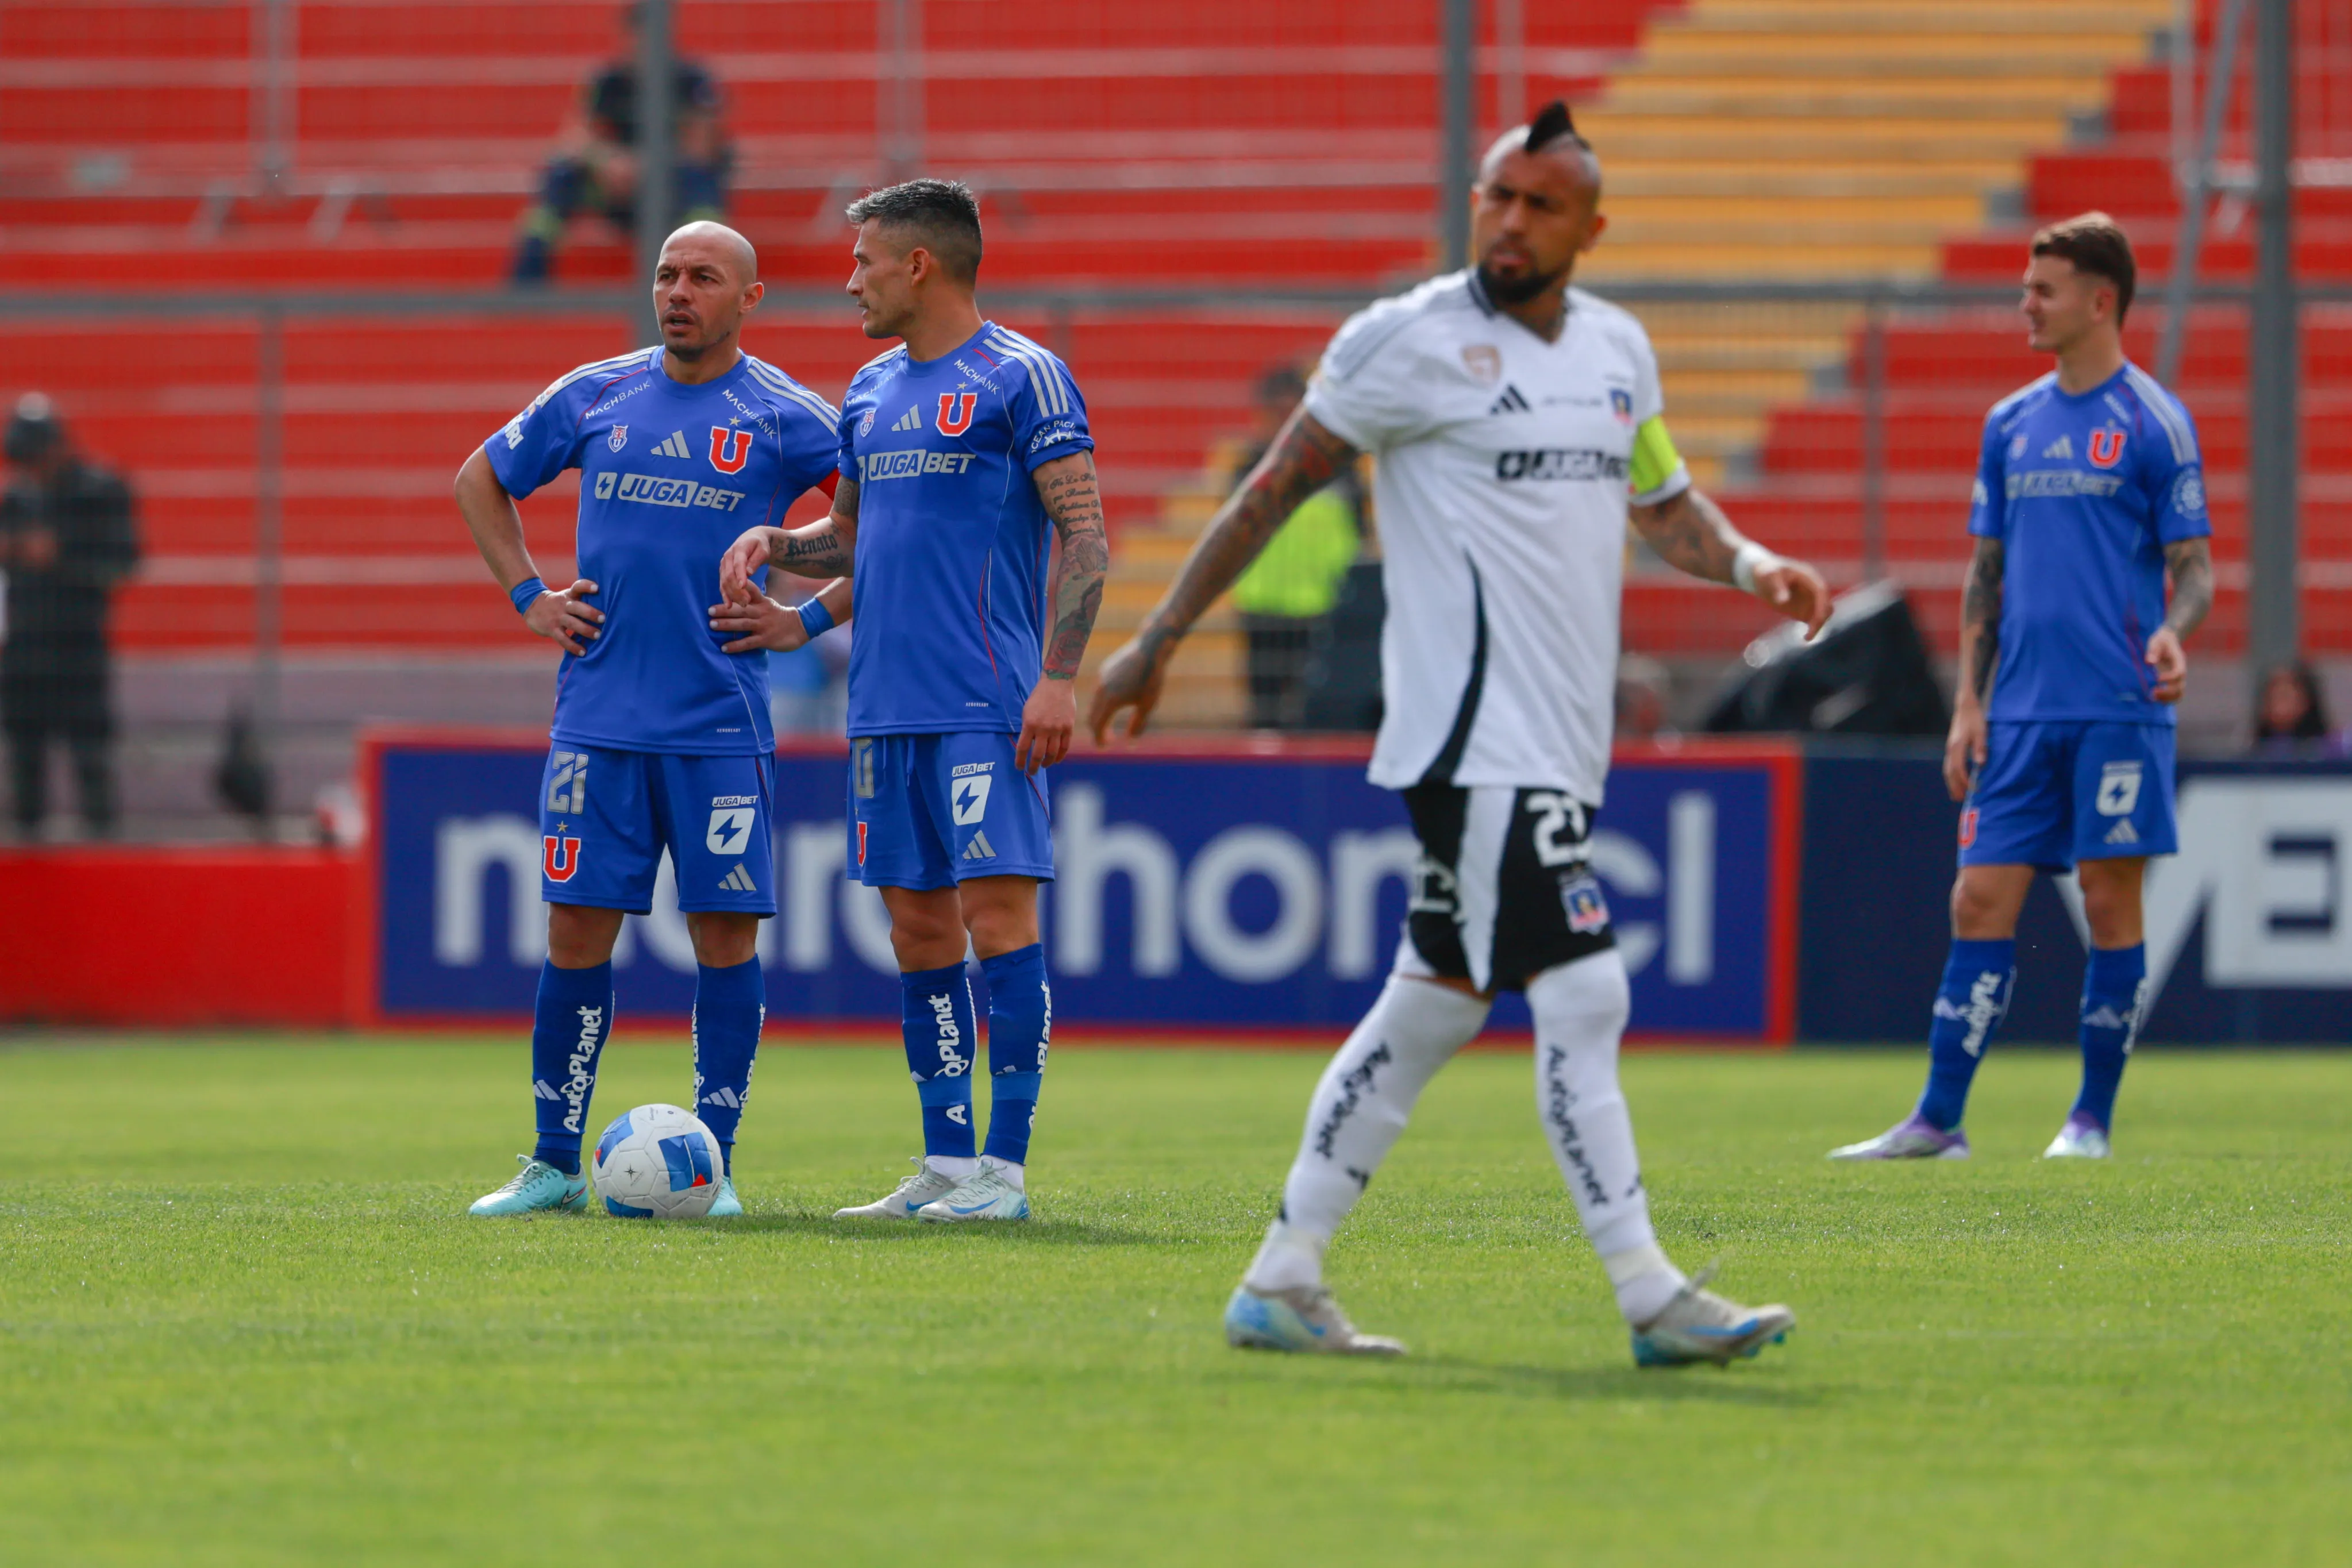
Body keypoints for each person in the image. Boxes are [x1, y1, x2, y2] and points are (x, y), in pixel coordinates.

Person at [1087, 103, 1828, 1365]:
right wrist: (1155, 639)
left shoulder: (1616, 352)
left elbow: (1659, 494)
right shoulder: (1406, 342)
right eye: (1496, 195)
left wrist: (1754, 563)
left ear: (1591, 227)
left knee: (1430, 1004)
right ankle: (1649, 1290)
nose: (1509, 220)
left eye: (1540, 204)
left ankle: (1282, 1273)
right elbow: (1271, 488)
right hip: (1468, 739)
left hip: (1555, 739)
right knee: (1586, 989)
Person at [718, 179, 1108, 1225]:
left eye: (864, 262)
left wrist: (1059, 676)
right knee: (918, 932)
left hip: (982, 699)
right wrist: (777, 554)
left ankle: (1006, 1170)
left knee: (996, 917)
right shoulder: (868, 387)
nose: (851, 281)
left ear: (919, 265)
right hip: (882, 711)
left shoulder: (1021, 376)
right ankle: (944, 1160)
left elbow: (1086, 534)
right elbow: (855, 538)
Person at [453, 221, 849, 1216]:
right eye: (667, 274)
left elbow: (878, 529)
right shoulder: (596, 391)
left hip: (719, 726)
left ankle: (715, 1167)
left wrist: (796, 612)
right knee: (576, 930)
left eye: (703, 277)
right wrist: (528, 597)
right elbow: (479, 479)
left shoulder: (787, 415)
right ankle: (550, 1161)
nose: (677, 291)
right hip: (597, 721)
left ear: (748, 299)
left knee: (724, 937)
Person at [1831, 213, 2215, 1164]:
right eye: (2023, 286)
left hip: (2116, 708)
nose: (2024, 304)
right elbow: (1983, 574)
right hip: (2016, 711)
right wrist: (1967, 702)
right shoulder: (2009, 422)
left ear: (2099, 300)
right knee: (1976, 897)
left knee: (2107, 902)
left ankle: (2087, 1119)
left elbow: (2196, 567)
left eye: (2041, 289)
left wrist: (2175, 629)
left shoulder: (2152, 421)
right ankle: (1937, 1118)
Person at [511, 5, 729, 284]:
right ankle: (527, 283)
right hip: (620, 190)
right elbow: (573, 139)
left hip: (673, 192)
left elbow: (702, 147)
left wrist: (647, 167)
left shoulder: (692, 81)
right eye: (637, 37)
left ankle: (710, 275)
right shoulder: (608, 82)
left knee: (699, 179)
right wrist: (607, 161)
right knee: (561, 174)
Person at [2, 394, 138, 839]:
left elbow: (122, 566)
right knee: (25, 767)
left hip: (78, 649)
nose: (30, 468)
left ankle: (104, 858)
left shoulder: (100, 492)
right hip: (22, 653)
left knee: (91, 763)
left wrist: (60, 558)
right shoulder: (16, 499)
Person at [1226, 364, 1364, 728]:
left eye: (1293, 412)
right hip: (1262, 606)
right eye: (1277, 413)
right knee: (1264, 713)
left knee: (1319, 712)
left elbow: (1361, 537)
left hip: (1324, 609)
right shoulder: (1246, 469)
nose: (1284, 422)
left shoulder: (1341, 469)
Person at [2251, 660, 2345, 756]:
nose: (2276, 703)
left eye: (2284, 696)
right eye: (2271, 696)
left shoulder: (2331, 748)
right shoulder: (2256, 752)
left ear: (2306, 701)